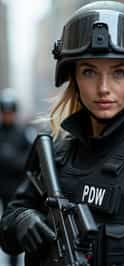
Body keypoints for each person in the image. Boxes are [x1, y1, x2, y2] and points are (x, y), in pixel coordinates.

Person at [0, 1, 124, 266]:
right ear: (73, 77)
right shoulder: (56, 151)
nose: (103, 88)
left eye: (119, 72)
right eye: (89, 71)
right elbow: (10, 224)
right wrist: (23, 220)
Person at [0, 88, 35, 266]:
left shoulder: (23, 133)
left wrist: (10, 158)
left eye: (10, 111)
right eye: (4, 111)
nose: (7, 115)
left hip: (13, 190)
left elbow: (29, 160)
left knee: (11, 229)